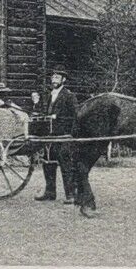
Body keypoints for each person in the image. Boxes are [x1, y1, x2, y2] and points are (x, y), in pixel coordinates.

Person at [30, 65, 78, 204]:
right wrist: (37, 103)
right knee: (48, 163)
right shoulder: (49, 95)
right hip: (49, 135)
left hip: (63, 135)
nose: (54, 79)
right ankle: (50, 192)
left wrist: (58, 118)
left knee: (65, 164)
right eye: (53, 77)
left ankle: (71, 195)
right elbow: (43, 113)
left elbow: (75, 116)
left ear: (63, 80)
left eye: (57, 77)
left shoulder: (69, 96)